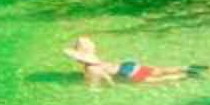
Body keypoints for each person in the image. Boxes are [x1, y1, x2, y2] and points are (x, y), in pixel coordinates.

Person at [64, 36, 199, 86]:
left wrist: (111, 86)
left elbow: (106, 79)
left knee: (158, 80)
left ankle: (186, 76)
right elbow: (82, 40)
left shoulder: (91, 68)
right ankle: (187, 67)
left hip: (127, 74)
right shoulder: (95, 57)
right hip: (128, 66)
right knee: (160, 70)